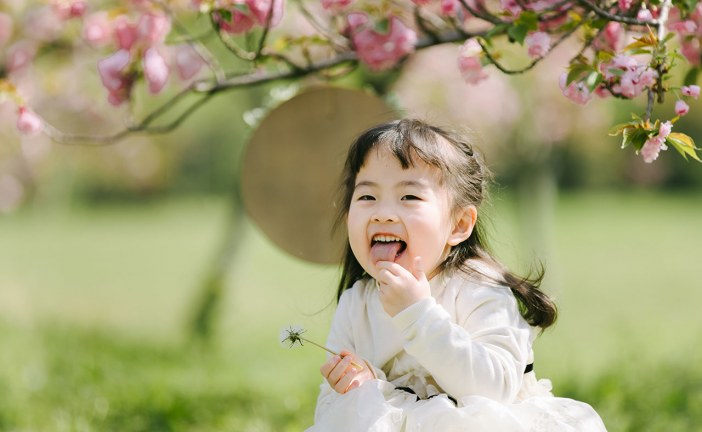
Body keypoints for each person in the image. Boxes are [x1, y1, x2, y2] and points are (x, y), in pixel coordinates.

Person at [307, 118, 607, 431]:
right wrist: (363, 387)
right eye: (367, 196)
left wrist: (418, 316)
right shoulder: (357, 303)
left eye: (409, 196)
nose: (382, 213)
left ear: (459, 225)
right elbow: (329, 414)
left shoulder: (479, 289)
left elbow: (496, 389)